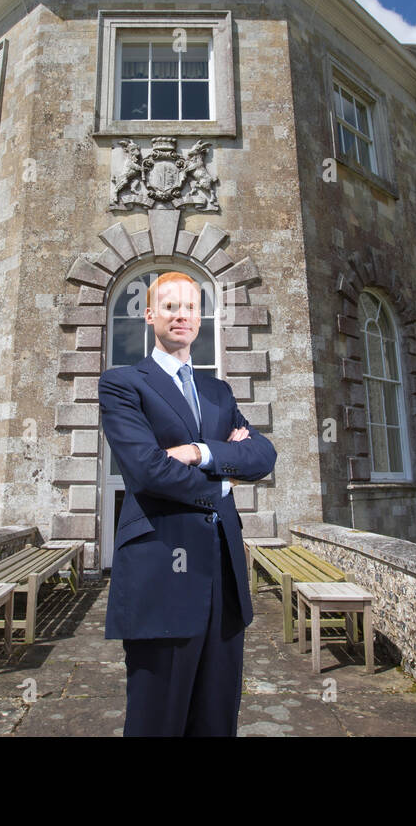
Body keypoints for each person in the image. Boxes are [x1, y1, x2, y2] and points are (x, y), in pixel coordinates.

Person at [98, 271, 277, 736]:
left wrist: (203, 452)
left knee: (217, 723)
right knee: (157, 723)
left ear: (202, 317)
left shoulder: (218, 391)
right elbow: (146, 470)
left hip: (224, 577)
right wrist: (223, 482)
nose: (182, 315)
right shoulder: (122, 384)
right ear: (150, 313)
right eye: (171, 306)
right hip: (161, 571)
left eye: (191, 307)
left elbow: (262, 456)